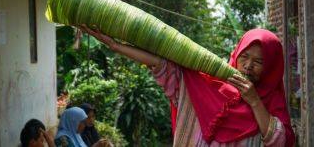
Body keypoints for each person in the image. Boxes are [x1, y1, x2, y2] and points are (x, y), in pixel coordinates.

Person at [79, 25, 295, 147]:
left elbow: (281, 143)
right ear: (236, 54)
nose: (248, 66)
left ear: (270, 68)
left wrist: (255, 102)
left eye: (258, 62)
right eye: (244, 56)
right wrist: (116, 46)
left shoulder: (270, 105)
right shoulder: (209, 85)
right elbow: (160, 63)